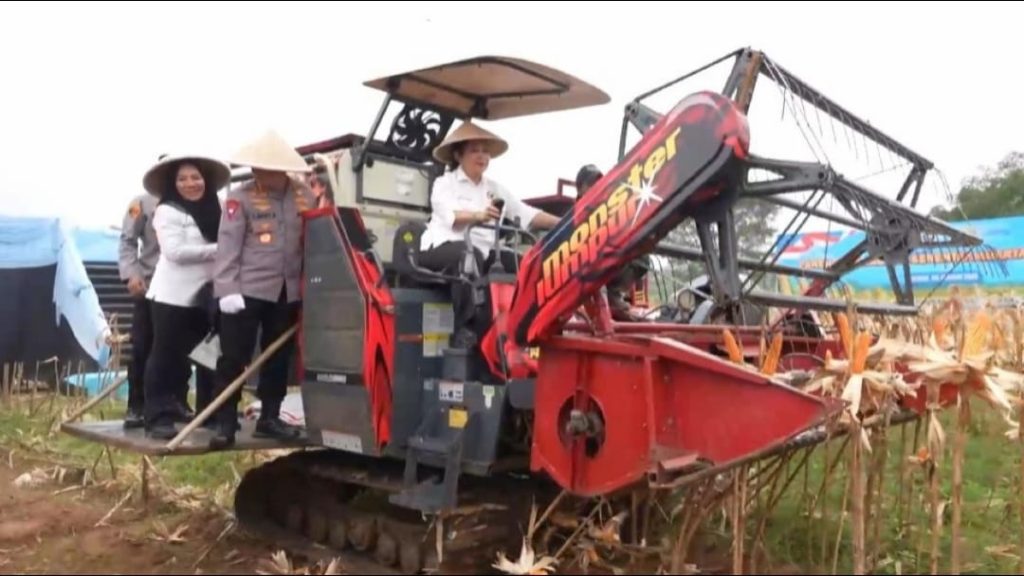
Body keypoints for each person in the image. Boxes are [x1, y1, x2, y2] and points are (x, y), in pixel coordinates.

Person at [210, 130, 317, 449]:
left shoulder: (304, 195)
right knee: (234, 357)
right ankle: (225, 422)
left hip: (287, 290)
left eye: (266, 167)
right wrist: (227, 288)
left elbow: (313, 239)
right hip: (246, 289)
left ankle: (269, 417)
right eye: (256, 167)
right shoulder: (239, 197)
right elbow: (228, 245)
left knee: (278, 357)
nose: (259, 172)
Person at [419, 121, 561, 345]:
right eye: (474, 150)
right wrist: (480, 216)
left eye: (485, 151)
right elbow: (450, 216)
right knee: (469, 256)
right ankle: (466, 330)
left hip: (484, 253)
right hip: (443, 247)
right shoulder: (443, 184)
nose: (481, 156)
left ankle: (523, 326)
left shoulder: (494, 188)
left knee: (523, 263)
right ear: (458, 155)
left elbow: (526, 214)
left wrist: (566, 222)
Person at [141, 154, 229, 439]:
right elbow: (174, 252)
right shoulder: (167, 211)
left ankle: (208, 411)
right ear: (172, 183)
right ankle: (157, 415)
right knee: (166, 355)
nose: (190, 184)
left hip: (205, 296)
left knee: (208, 354)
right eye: (182, 179)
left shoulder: (217, 207)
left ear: (206, 180)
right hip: (171, 296)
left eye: (196, 177)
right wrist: (219, 249)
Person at [117, 159, 162, 429]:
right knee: (143, 345)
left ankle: (174, 404)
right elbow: (127, 241)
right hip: (151, 283)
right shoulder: (142, 203)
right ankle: (136, 406)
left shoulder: (199, 201)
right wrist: (131, 274)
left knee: (187, 349)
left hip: (191, 286)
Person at [574, 164, 650, 322]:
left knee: (641, 254)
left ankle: (612, 297)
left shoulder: (607, 211)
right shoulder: (575, 215)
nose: (597, 188)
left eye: (599, 184)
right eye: (591, 185)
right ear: (581, 188)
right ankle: (604, 302)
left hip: (605, 263)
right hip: (582, 269)